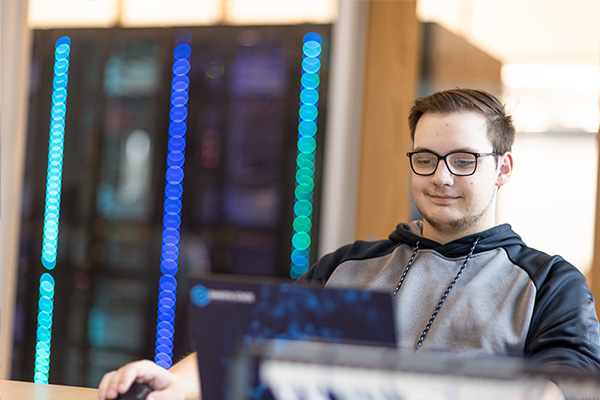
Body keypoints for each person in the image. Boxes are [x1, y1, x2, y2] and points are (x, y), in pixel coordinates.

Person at [97, 88, 600, 400]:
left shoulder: (551, 283)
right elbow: (260, 340)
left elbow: (567, 388)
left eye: (464, 160)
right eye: (426, 159)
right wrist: (174, 383)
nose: (441, 177)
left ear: (502, 168)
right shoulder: (349, 264)